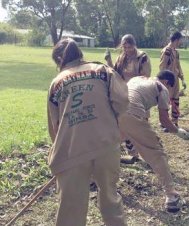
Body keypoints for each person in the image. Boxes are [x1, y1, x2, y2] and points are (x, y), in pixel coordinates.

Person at [48, 38, 128, 226]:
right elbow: (122, 102)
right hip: (106, 145)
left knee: (70, 207)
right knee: (110, 197)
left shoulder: (57, 82)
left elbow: (55, 126)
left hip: (72, 151)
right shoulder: (103, 72)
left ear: (60, 60)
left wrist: (57, 154)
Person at [118, 70, 189, 213]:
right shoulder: (161, 88)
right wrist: (177, 131)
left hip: (113, 112)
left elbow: (139, 109)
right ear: (167, 83)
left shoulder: (138, 79)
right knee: (157, 153)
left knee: (109, 147)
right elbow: (164, 120)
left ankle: (94, 180)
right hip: (131, 114)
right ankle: (172, 197)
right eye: (170, 88)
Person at [159, 31, 186, 128]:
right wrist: (164, 80)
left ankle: (174, 121)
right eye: (180, 40)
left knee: (175, 100)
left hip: (176, 81)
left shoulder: (176, 52)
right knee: (166, 102)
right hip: (168, 81)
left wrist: (182, 78)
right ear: (176, 40)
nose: (181, 43)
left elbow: (178, 66)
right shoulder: (167, 51)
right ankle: (164, 123)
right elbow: (162, 66)